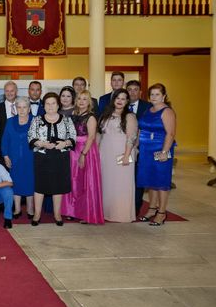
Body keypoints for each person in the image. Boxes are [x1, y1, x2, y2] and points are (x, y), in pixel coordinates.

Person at [27, 92, 76, 226]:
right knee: (40, 186)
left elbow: (73, 136)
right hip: (42, 157)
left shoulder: (66, 120)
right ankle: (37, 215)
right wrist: (42, 143)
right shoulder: (36, 120)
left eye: (53, 103)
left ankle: (57, 214)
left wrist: (64, 143)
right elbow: (31, 137)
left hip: (60, 158)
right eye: (47, 103)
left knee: (58, 186)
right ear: (44, 105)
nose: (50, 106)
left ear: (58, 104)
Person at [136, 83, 177, 226]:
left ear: (164, 96)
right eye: (152, 94)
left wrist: (165, 152)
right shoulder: (149, 109)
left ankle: (162, 212)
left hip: (160, 149)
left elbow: (170, 134)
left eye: (157, 94)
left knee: (161, 182)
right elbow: (141, 130)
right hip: (146, 149)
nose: (154, 97)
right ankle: (152, 209)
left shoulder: (167, 111)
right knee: (150, 181)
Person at [61, 90, 104, 224]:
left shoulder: (91, 117)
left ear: (89, 102)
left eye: (85, 99)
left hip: (85, 150)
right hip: (72, 150)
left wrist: (83, 155)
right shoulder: (73, 114)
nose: (81, 101)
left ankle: (87, 212)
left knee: (86, 182)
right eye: (79, 98)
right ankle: (72, 211)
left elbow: (91, 137)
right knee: (74, 181)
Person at [98, 88, 138, 223]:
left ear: (127, 101)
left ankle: (121, 214)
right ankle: (106, 212)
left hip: (122, 153)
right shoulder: (106, 114)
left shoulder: (129, 116)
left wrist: (127, 155)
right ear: (113, 100)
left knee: (121, 184)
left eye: (123, 99)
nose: (120, 101)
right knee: (107, 183)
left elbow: (131, 137)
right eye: (117, 98)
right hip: (106, 152)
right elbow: (101, 134)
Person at [2, 97, 35, 220]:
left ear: (29, 108)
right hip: (14, 158)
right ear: (16, 108)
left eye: (24, 107)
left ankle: (30, 209)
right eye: (19, 107)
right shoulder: (10, 121)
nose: (22, 110)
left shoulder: (35, 120)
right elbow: (5, 140)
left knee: (30, 182)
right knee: (15, 182)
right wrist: (5, 156)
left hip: (31, 158)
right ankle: (17, 209)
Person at [126, 79, 152, 213]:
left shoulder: (148, 107)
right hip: (124, 149)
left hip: (142, 149)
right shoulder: (120, 105)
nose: (132, 92)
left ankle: (135, 208)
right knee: (124, 178)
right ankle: (124, 205)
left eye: (135, 89)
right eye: (129, 89)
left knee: (138, 179)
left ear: (140, 92)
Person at [0, 81, 18, 166]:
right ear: (4, 92)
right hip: (2, 151)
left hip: (20, 149)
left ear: (16, 92)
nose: (9, 93)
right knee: (4, 178)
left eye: (12, 91)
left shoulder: (23, 106)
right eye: (7, 91)